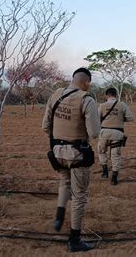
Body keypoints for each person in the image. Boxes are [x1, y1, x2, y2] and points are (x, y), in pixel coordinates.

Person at [42, 67, 100, 252]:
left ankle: (59, 217)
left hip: (58, 153)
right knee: (80, 196)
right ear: (87, 82)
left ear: (73, 78)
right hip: (77, 156)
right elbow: (94, 133)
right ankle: (74, 240)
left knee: (65, 181)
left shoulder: (56, 94)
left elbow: (45, 127)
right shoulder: (87, 99)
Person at [98, 87, 133, 185]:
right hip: (118, 133)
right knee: (115, 155)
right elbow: (130, 118)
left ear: (106, 96)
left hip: (104, 132)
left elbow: (96, 119)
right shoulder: (122, 105)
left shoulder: (102, 105)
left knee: (102, 151)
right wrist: (120, 119)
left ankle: (104, 170)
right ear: (116, 95)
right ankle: (114, 177)